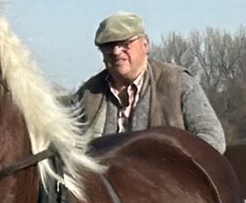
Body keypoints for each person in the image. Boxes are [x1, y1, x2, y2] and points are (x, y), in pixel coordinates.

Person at [70, 11, 226, 153]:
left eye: (125, 43)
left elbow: (212, 137)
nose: (116, 52)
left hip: (167, 173)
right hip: (103, 174)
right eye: (108, 46)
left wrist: (172, 160)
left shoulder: (178, 83)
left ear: (145, 45)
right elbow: (68, 146)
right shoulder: (86, 95)